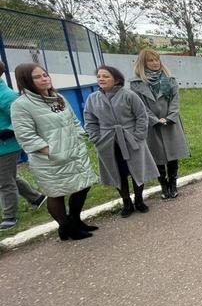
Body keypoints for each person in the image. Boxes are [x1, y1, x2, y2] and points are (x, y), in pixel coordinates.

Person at [10, 64, 98, 240]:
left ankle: (75, 220)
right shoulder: (21, 105)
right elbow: (26, 136)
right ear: (26, 81)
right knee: (56, 193)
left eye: (45, 74)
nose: (44, 79)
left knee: (83, 185)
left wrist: (79, 138)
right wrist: (52, 152)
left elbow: (74, 120)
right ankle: (66, 227)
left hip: (75, 153)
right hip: (50, 159)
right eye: (37, 77)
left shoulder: (58, 98)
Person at [84, 66, 160, 217]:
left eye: (105, 76)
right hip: (107, 142)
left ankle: (139, 200)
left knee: (137, 170)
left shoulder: (129, 95)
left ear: (116, 79)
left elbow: (141, 115)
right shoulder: (93, 99)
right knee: (117, 171)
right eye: (99, 76)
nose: (101, 79)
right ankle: (126, 202)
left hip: (131, 139)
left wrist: (139, 135)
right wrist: (96, 138)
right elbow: (90, 120)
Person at [130, 49, 191, 200]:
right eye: (150, 60)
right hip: (152, 125)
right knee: (157, 155)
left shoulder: (170, 80)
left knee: (173, 153)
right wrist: (154, 120)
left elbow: (175, 101)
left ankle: (173, 184)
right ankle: (163, 185)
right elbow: (140, 106)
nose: (155, 63)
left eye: (157, 59)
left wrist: (170, 117)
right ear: (143, 63)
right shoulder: (136, 84)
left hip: (171, 122)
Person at [0, 62, 46, 230]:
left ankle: (9, 216)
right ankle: (36, 198)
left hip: (7, 145)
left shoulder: (5, 95)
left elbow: (21, 117)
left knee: (4, 182)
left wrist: (6, 131)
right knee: (7, 177)